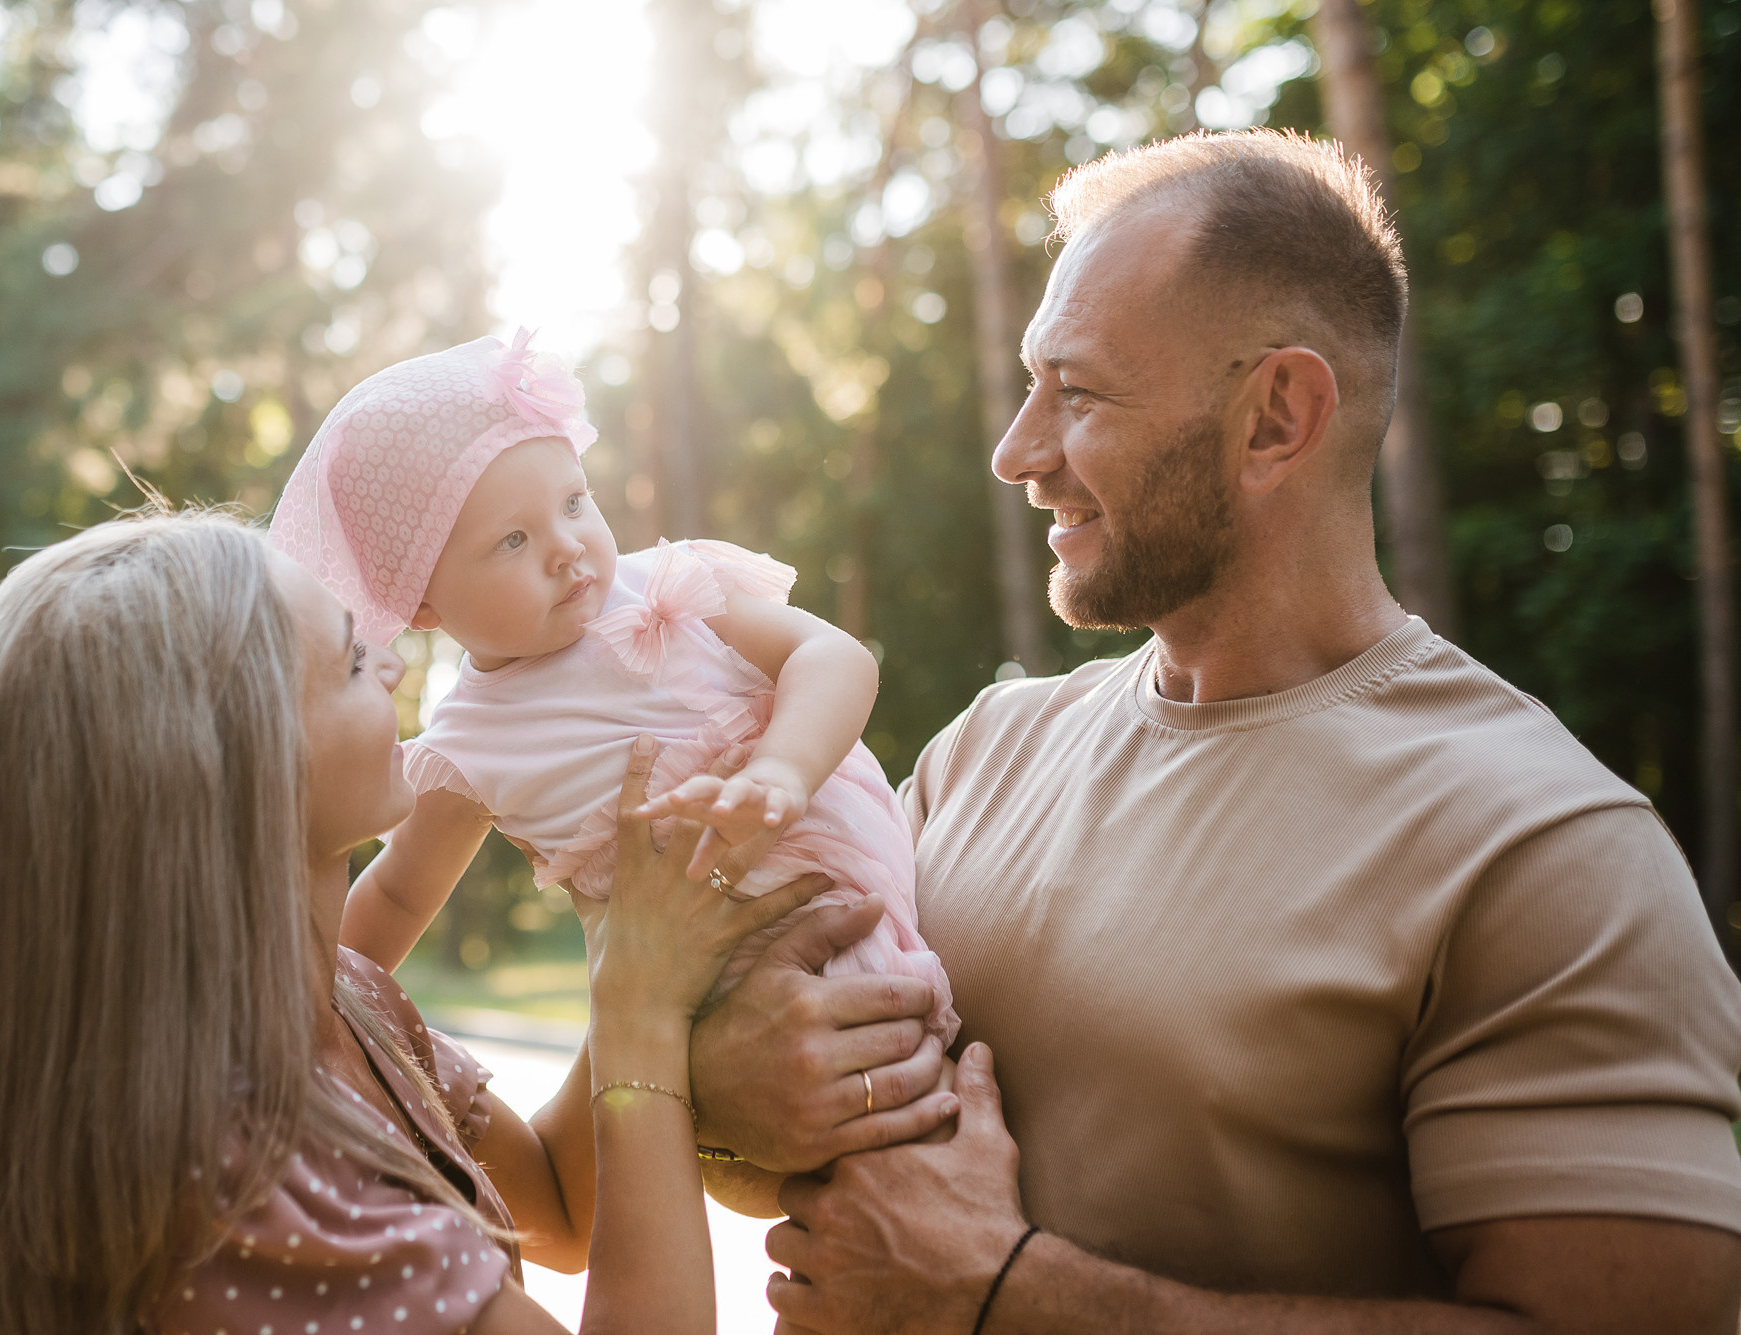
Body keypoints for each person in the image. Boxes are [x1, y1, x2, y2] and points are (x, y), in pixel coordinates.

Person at [682, 129, 1741, 1333]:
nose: (1016, 453)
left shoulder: (1543, 844)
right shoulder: (983, 751)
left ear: (1274, 416)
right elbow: (755, 1146)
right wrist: (722, 1078)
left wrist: (1006, 1296)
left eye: (1075, 393)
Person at [0, 506, 959, 1335]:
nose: (403, 664)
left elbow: (555, 1210)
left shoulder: (346, 1001)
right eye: (354, 662)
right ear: (235, 770)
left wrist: (656, 946)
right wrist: (639, 1011)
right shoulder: (236, 1172)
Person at [268, 331, 958, 1041]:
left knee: (910, 1083)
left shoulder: (667, 585)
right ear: (422, 605)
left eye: (573, 502)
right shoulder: (470, 745)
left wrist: (783, 764)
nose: (567, 546)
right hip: (711, 1011)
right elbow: (398, 891)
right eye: (513, 540)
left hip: (843, 902)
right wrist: (302, 1001)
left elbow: (833, 655)